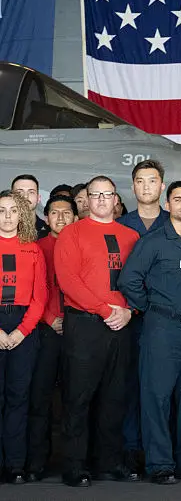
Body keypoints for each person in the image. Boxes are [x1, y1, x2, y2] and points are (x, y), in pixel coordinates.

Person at [118, 182, 181, 485]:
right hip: (162, 328)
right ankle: (160, 464)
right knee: (156, 398)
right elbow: (129, 280)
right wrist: (150, 308)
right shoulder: (154, 241)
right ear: (168, 204)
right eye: (178, 199)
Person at [54, 176, 140, 487]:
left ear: (116, 199)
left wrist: (130, 311)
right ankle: (75, 466)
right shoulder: (72, 234)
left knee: (115, 396)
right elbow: (69, 282)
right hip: (85, 325)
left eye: (108, 194)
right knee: (79, 397)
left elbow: (140, 280)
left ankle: (109, 462)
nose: (102, 199)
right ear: (86, 199)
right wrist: (106, 311)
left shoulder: (130, 236)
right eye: (96, 194)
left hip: (123, 324)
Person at [117, 159, 169, 476]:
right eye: (140, 180)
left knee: (163, 388)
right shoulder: (121, 225)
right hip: (129, 319)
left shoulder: (175, 222)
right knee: (129, 385)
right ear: (133, 186)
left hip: (166, 321)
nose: (146, 186)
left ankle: (162, 452)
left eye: (152, 181)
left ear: (162, 186)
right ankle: (131, 450)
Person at [26, 195, 76, 481]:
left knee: (75, 398)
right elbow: (34, 289)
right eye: (54, 213)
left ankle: (73, 461)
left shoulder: (80, 243)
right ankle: (36, 462)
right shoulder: (37, 248)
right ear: (45, 218)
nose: (60, 217)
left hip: (78, 330)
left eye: (66, 212)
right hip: (44, 331)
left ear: (74, 216)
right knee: (39, 397)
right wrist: (50, 319)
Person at [0, 191, 48, 484]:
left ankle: (15, 464)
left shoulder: (33, 250)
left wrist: (21, 331)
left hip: (23, 327)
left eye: (12, 210)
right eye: (1, 210)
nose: (7, 216)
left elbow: (40, 298)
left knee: (18, 398)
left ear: (22, 215)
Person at [11, 175, 48, 239]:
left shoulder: (49, 230)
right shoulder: (2, 227)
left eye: (31, 192)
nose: (25, 196)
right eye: (19, 192)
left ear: (38, 198)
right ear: (11, 198)